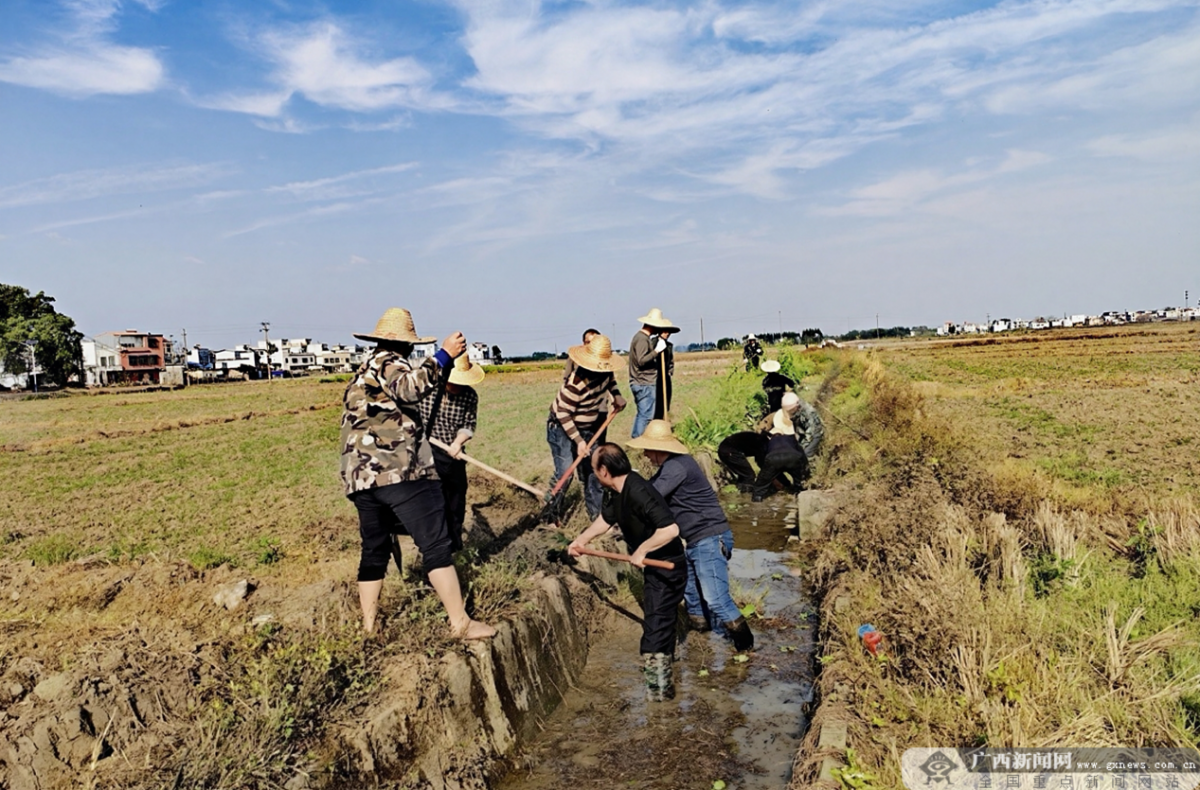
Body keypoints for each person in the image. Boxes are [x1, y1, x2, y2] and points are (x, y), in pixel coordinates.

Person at [339, 307, 494, 640]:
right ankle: (460, 623)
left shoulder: (362, 372)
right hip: (397, 471)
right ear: (407, 345)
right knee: (436, 545)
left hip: (360, 477)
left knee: (374, 548)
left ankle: (369, 627)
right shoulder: (391, 363)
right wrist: (443, 355)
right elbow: (410, 388)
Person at [568, 444, 688, 701]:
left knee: (655, 628)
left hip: (668, 566)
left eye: (594, 469)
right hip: (653, 566)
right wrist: (581, 540)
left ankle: (659, 698)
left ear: (604, 470)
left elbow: (670, 530)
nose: (594, 474)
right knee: (660, 621)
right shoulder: (615, 490)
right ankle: (665, 683)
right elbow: (606, 519)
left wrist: (642, 550)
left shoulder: (639, 491)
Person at [630, 420, 754, 651]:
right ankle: (701, 642)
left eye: (647, 449)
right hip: (695, 540)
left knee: (716, 599)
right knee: (692, 595)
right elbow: (647, 490)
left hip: (709, 538)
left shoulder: (676, 467)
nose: (645, 454)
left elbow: (649, 496)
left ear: (658, 449)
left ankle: (746, 648)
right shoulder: (670, 467)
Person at [547, 333, 626, 520]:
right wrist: (579, 441)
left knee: (594, 469)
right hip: (561, 426)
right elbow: (563, 413)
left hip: (588, 425)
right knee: (565, 472)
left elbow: (611, 382)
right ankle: (550, 514)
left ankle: (596, 516)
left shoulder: (605, 371)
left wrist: (617, 396)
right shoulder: (576, 383)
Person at [418, 353, 484, 552]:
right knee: (434, 503)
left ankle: (454, 548)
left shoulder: (470, 396)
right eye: (454, 382)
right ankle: (434, 549)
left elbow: (468, 425)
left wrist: (457, 442)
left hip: (453, 454)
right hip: (425, 453)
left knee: (456, 500)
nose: (457, 386)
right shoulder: (427, 390)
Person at [752, 392, 823, 501]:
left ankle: (756, 501)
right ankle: (799, 490)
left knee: (760, 487)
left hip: (809, 437)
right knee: (800, 476)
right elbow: (799, 451)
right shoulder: (790, 438)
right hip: (793, 455)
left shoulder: (809, 414)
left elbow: (811, 435)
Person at [628, 308, 679, 437]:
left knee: (644, 414)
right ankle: (638, 440)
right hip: (644, 382)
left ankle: (638, 439)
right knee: (645, 416)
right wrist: (656, 351)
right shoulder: (642, 339)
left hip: (644, 382)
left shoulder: (642, 338)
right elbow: (641, 361)